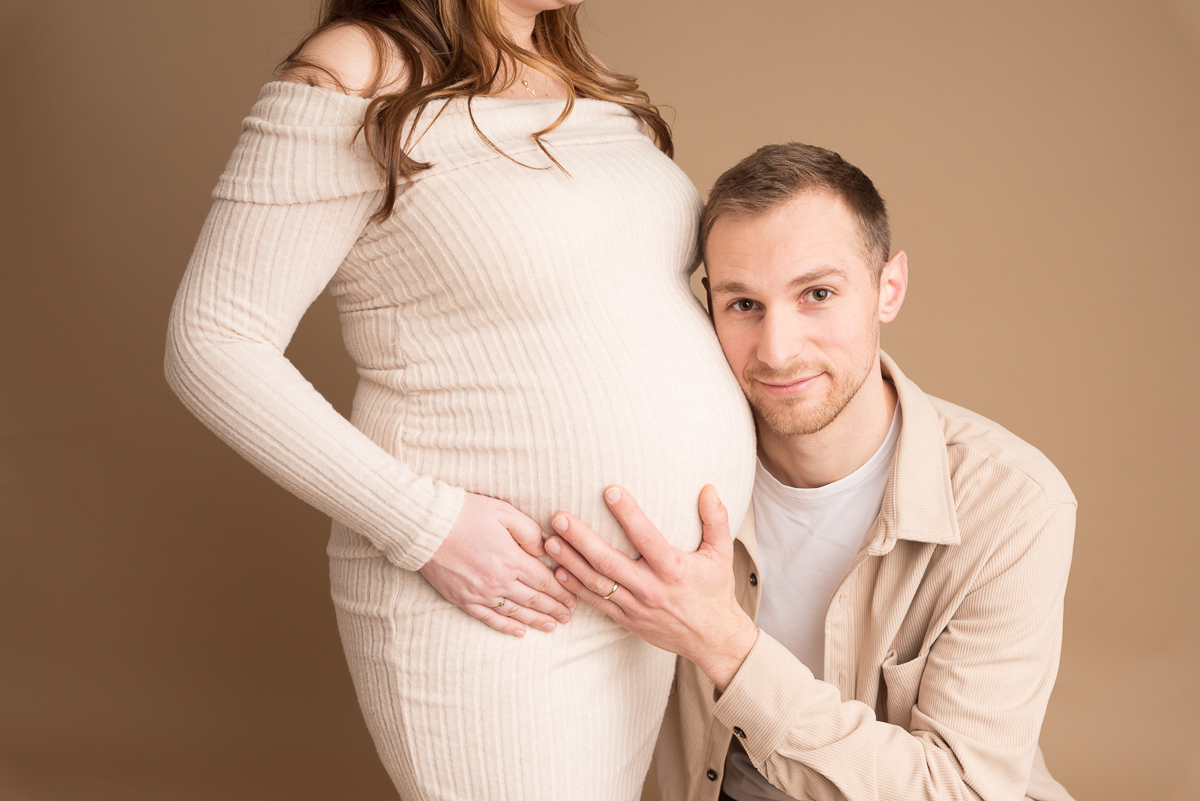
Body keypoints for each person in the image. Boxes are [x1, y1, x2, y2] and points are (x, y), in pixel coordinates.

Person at [163, 1, 756, 799]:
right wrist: (426, 525)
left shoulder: (568, 69)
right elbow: (212, 339)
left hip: (639, 598)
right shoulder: (357, 67)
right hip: (497, 602)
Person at [546, 143, 1076, 801]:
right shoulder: (667, 477)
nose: (777, 348)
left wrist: (725, 644)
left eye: (817, 294)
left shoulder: (1012, 504)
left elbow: (958, 791)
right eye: (744, 304)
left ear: (889, 288)